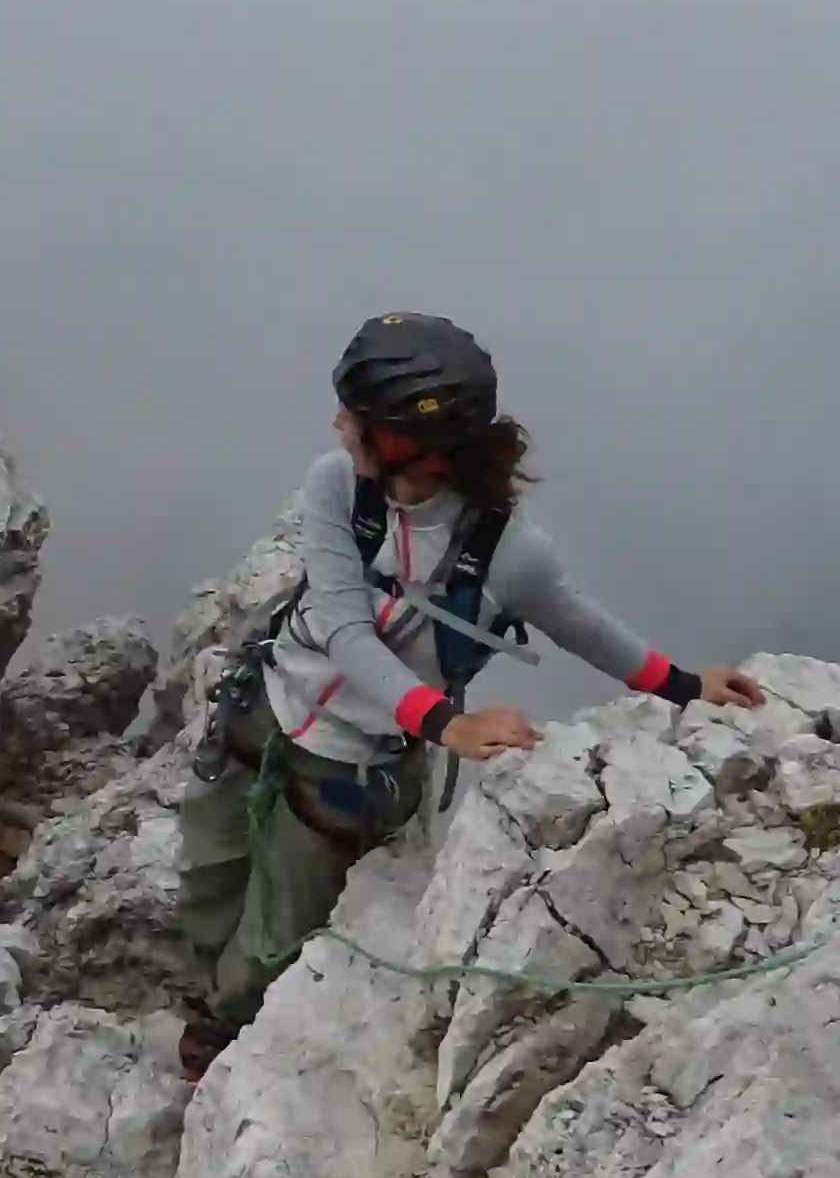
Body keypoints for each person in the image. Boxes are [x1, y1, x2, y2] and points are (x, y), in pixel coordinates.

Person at [175, 310, 766, 1076]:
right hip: (268, 703)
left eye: (359, 417)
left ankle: (225, 1023)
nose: (337, 425)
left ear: (412, 442)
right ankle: (196, 981)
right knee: (207, 862)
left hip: (353, 763)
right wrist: (447, 723)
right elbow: (344, 630)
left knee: (277, 925)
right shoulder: (336, 487)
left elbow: (576, 622)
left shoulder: (507, 552)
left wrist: (684, 685)